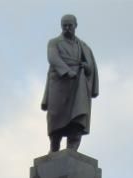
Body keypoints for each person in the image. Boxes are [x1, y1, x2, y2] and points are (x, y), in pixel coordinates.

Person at [41, 14, 99, 152]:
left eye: (70, 25)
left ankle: (72, 148)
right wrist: (67, 71)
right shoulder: (54, 42)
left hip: (78, 85)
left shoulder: (83, 46)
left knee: (77, 117)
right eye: (64, 26)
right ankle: (54, 147)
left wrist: (86, 67)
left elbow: (90, 67)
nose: (67, 28)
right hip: (59, 83)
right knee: (55, 117)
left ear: (75, 26)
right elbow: (53, 58)